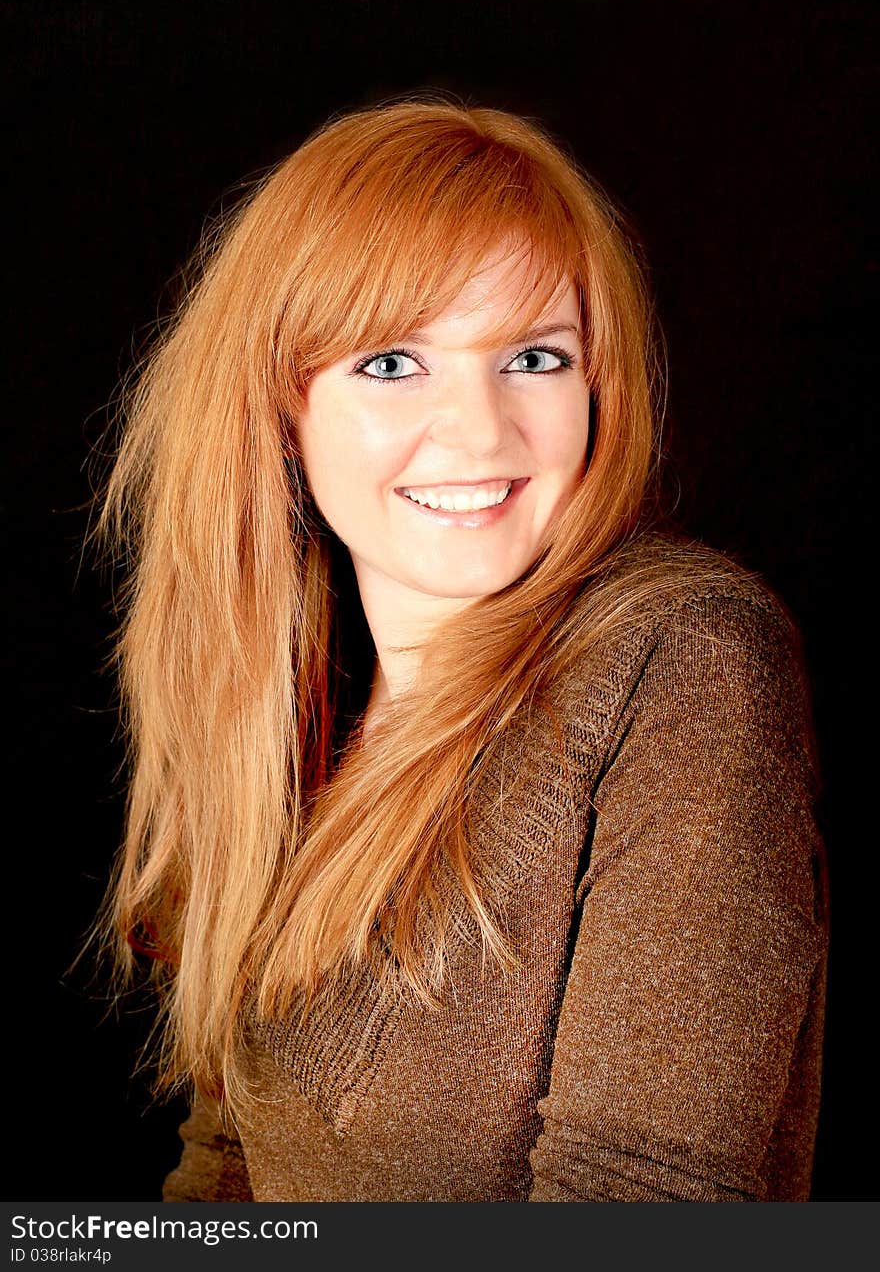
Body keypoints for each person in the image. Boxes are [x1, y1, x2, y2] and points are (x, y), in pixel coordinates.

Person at [91, 96, 829, 1203]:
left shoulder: (680, 661)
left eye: (533, 355)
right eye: (392, 362)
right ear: (276, 406)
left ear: (598, 384)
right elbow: (231, 1166)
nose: (481, 431)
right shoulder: (284, 707)